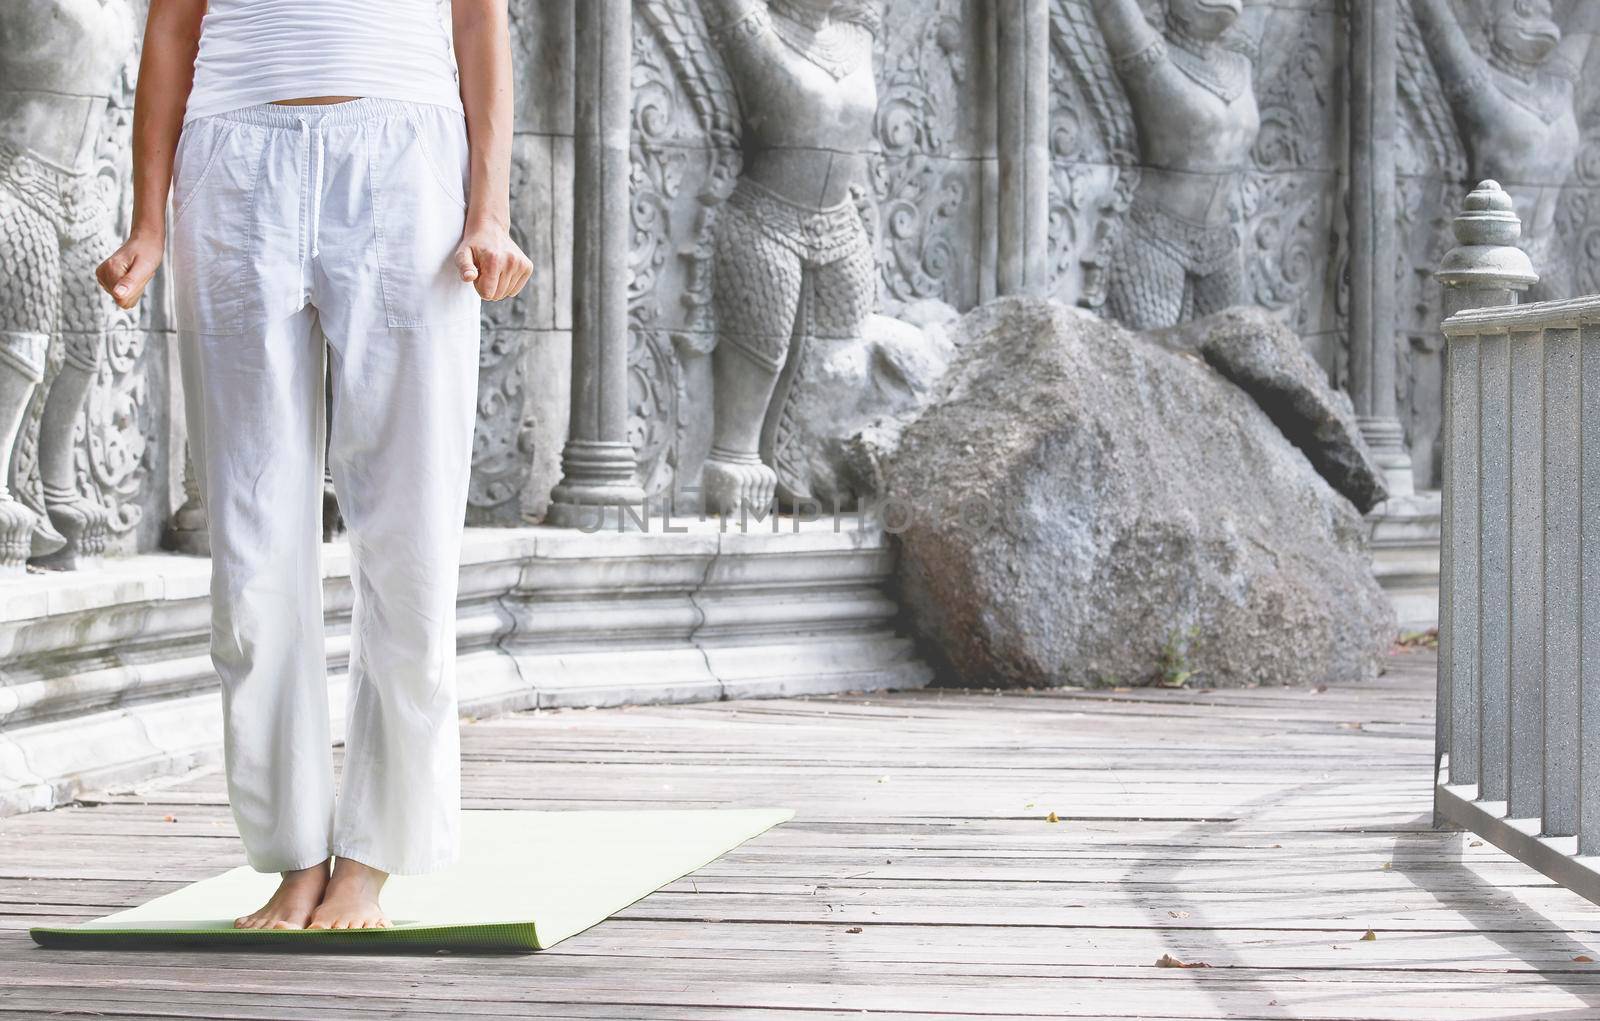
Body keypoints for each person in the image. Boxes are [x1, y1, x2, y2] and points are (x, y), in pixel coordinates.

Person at [94, 0, 533, 930]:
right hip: (231, 157)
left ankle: (371, 855)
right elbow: (172, 27)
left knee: (409, 534)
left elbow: (479, 19)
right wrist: (148, 222)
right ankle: (294, 855)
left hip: (404, 153)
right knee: (251, 544)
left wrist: (489, 211)